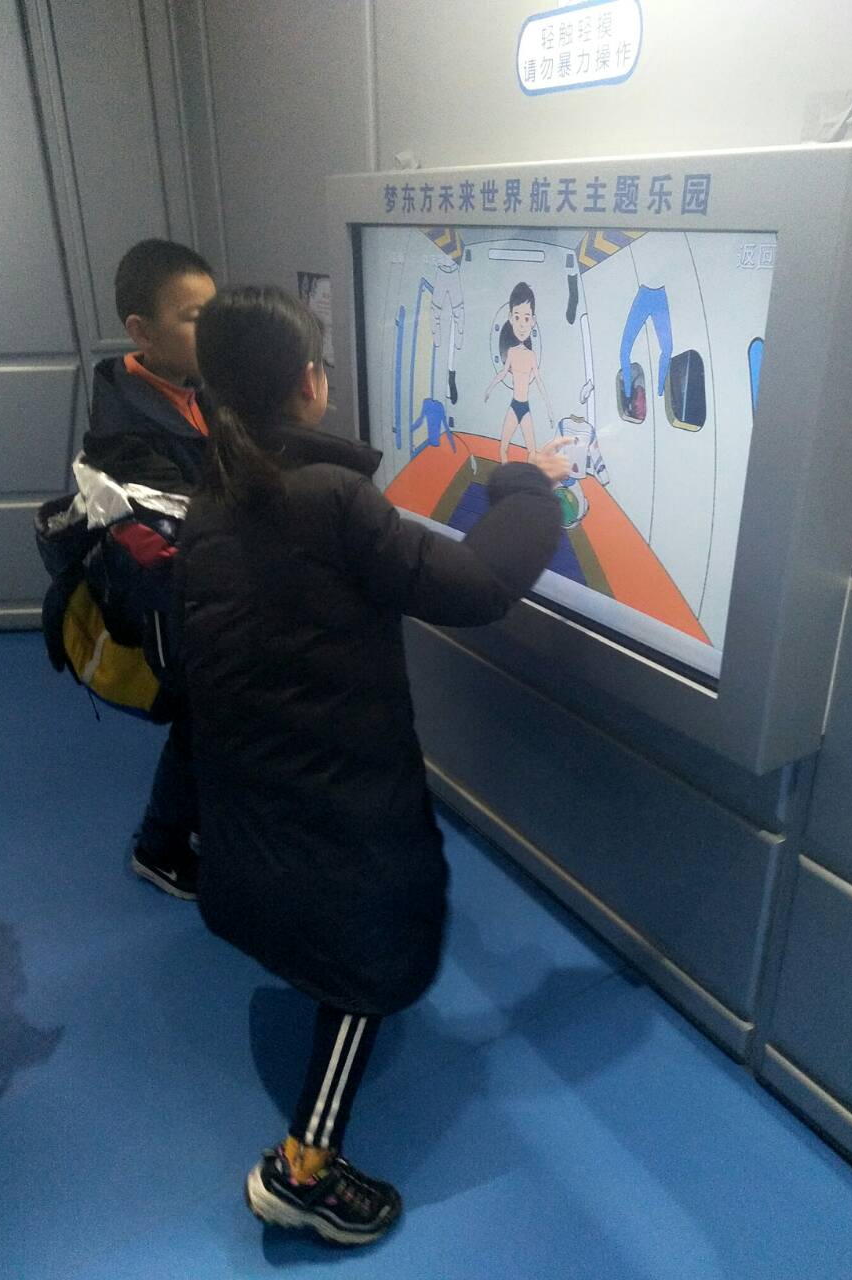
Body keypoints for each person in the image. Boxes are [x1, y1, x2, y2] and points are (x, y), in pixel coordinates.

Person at [177, 285, 571, 1246]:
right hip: (338, 789)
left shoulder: (214, 495)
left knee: (319, 914)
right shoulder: (329, 498)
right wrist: (526, 489)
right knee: (366, 960)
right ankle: (301, 1171)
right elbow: (475, 586)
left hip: (258, 778)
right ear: (309, 384)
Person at [85, 239, 216, 899]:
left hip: (204, 590)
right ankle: (158, 848)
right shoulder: (125, 427)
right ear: (141, 331)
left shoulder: (193, 388)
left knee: (218, 717)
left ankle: (202, 822)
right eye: (193, 318)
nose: (211, 330)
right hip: (171, 597)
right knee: (200, 719)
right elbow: (185, 521)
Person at [485, 281, 554, 464]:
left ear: (533, 321)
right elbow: (502, 373)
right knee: (503, 448)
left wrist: (549, 409)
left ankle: (526, 480)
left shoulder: (531, 355)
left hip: (525, 407)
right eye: (517, 318)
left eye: (526, 318)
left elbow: (539, 381)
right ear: (510, 318)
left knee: (532, 452)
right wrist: (489, 389)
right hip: (514, 406)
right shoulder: (512, 352)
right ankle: (506, 478)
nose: (522, 325)